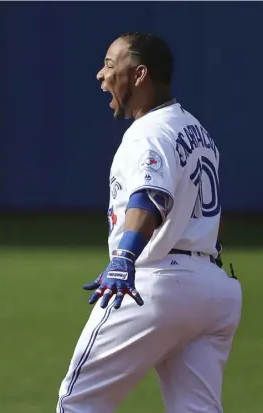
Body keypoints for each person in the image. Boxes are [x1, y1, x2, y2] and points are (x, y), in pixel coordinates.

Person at [56, 32, 242, 413]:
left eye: (110, 65)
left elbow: (151, 196)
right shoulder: (198, 132)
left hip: (157, 282)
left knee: (78, 403)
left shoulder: (148, 132)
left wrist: (124, 257)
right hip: (213, 290)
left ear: (139, 75)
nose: (100, 75)